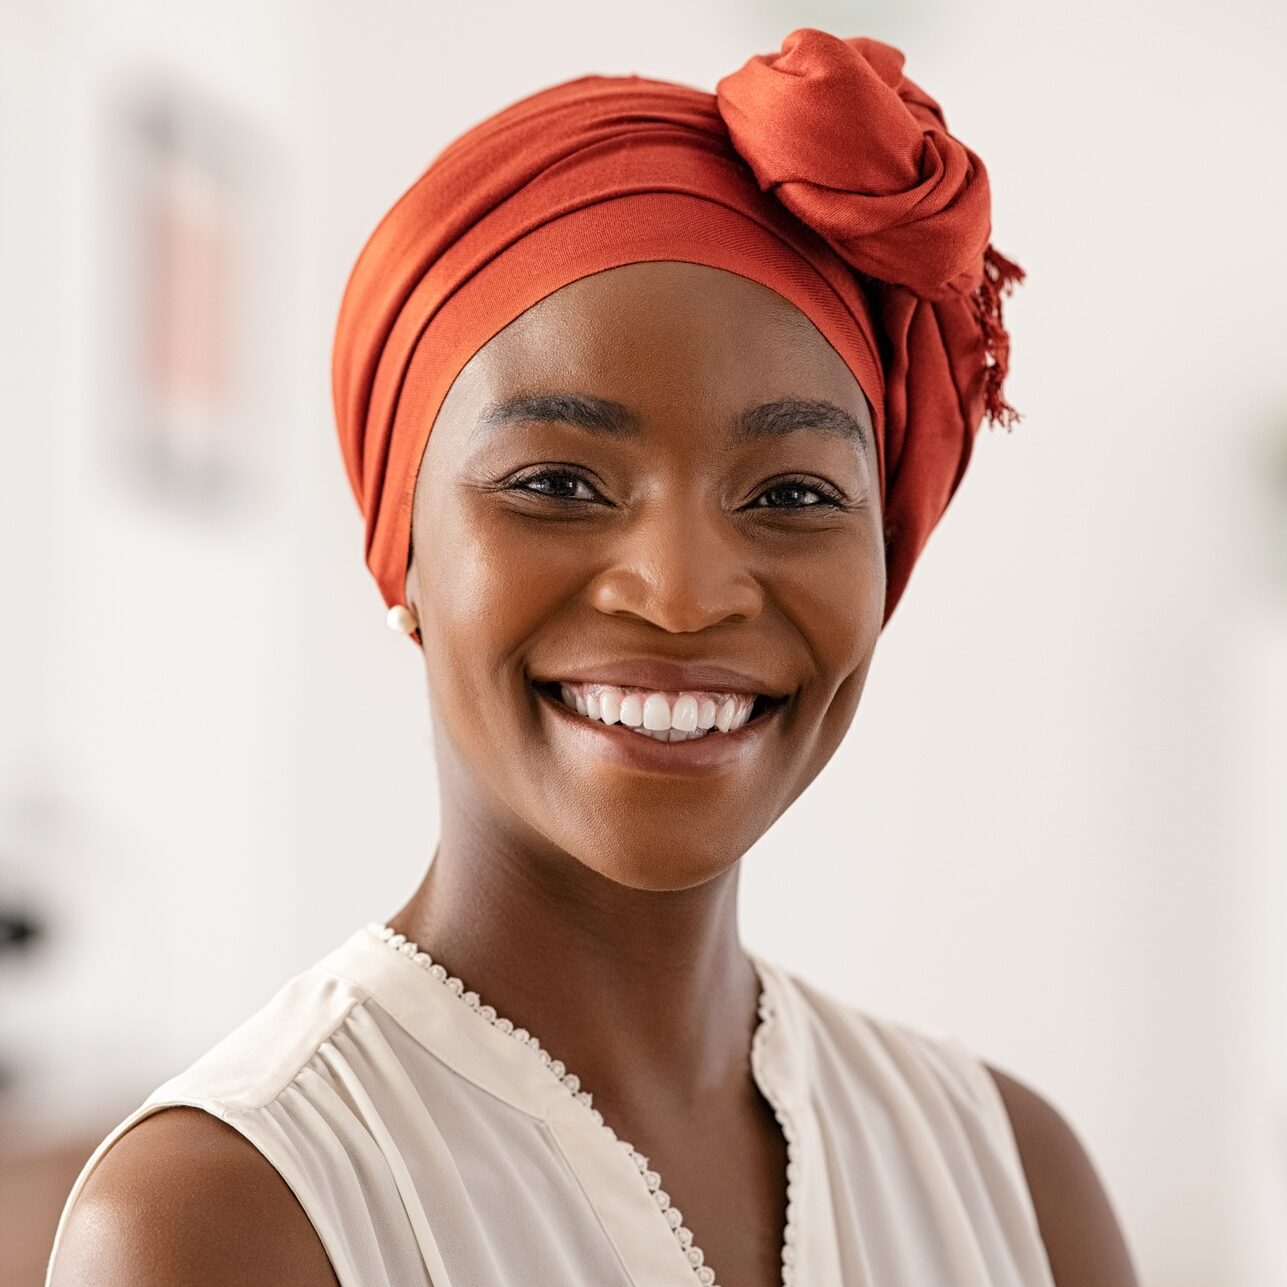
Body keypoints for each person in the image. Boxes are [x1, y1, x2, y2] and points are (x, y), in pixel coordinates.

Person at [47, 29, 1139, 1287]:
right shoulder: (229, 1216)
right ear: (404, 553)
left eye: (791, 494)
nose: (682, 595)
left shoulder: (1011, 1181)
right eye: (559, 482)